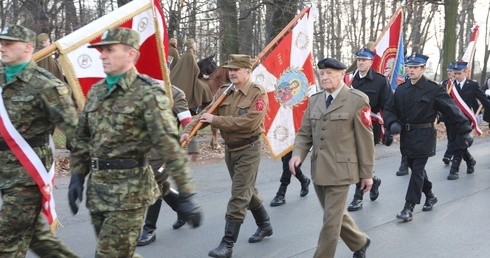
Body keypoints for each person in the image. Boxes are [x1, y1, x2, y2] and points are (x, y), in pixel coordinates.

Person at [68, 28, 203, 257]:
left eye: (110, 50)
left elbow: (169, 145)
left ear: (131, 55)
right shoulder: (97, 92)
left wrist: (187, 194)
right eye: (101, 50)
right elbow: (83, 139)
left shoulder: (148, 92)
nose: (102, 55)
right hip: (98, 191)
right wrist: (77, 175)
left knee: (109, 254)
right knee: (120, 252)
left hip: (130, 192)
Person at [181, 54, 272, 258]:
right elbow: (206, 112)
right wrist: (189, 129)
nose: (231, 73)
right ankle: (265, 225)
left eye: (236, 70)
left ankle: (227, 243)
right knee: (247, 191)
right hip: (230, 149)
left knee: (239, 194)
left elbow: (248, 123)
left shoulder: (258, 94)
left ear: (248, 72)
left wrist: (216, 120)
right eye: (230, 70)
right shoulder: (224, 92)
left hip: (249, 148)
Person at [0, 24, 78, 257]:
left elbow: (75, 131)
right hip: (4, 171)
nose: (2, 48)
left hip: (28, 174)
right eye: (1, 43)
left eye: (8, 43)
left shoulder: (46, 84)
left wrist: (79, 174)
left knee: (7, 240)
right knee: (34, 235)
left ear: (27, 48)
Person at [290, 58, 374, 258]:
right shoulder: (315, 100)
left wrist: (367, 173)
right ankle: (360, 241)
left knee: (330, 222)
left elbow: (365, 139)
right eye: (322, 74)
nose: (324, 77)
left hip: (342, 171)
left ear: (341, 74)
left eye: (329, 73)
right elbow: (304, 134)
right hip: (319, 169)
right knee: (334, 215)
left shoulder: (357, 99)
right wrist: (297, 154)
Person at [383, 53, 472, 222]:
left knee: (417, 170)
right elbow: (389, 108)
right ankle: (430, 195)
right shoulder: (402, 89)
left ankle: (408, 207)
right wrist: (392, 122)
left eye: (415, 67)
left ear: (423, 69)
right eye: (409, 67)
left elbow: (451, 109)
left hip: (425, 135)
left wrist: (465, 130)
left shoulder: (433, 89)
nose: (411, 70)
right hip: (407, 136)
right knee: (416, 169)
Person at [137, 85, 193, 246]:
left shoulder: (175, 93)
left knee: (154, 184)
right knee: (159, 183)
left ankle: (149, 229)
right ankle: (183, 210)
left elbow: (187, 122)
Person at [346, 47, 391, 211]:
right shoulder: (349, 80)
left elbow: (388, 106)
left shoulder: (380, 81)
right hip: (349, 126)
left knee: (361, 160)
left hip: (370, 126)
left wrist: (389, 128)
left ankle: (358, 197)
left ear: (371, 62)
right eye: (358, 60)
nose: (360, 62)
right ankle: (373, 180)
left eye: (364, 60)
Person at [445, 61, 490, 180]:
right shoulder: (449, 85)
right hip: (452, 119)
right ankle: (470, 161)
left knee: (459, 143)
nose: (456, 76)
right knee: (455, 142)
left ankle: (454, 170)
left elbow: (484, 101)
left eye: (459, 73)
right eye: (455, 74)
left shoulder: (472, 85)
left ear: (465, 72)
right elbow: (443, 103)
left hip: (465, 120)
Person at [170, 38, 211, 159]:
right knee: (202, 86)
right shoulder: (189, 55)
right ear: (192, 46)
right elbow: (195, 70)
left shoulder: (184, 54)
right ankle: (198, 106)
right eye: (195, 44)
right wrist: (202, 75)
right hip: (186, 83)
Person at [440, 62, 457, 165]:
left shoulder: (458, 83)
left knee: (456, 136)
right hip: (447, 114)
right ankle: (462, 155)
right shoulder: (445, 83)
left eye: (451, 71)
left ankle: (448, 155)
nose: (449, 73)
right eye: (448, 71)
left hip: (458, 115)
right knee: (451, 135)